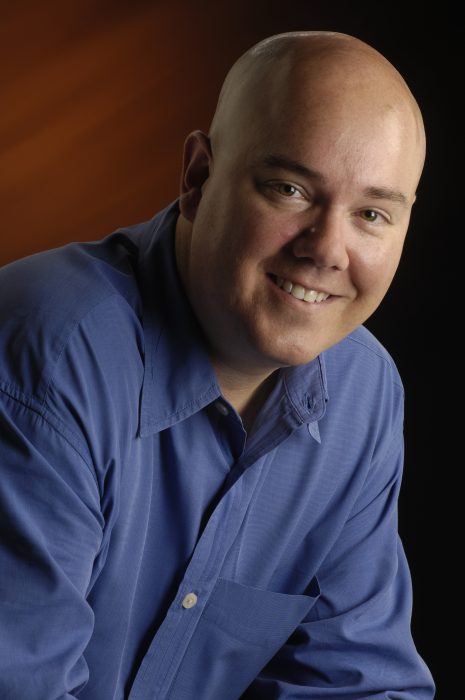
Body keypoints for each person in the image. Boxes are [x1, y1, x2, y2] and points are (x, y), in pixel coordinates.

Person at [0, 30, 435, 699]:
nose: (326, 250)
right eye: (289, 188)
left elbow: (355, 685)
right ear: (199, 177)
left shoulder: (363, 394)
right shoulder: (49, 354)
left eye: (371, 214)